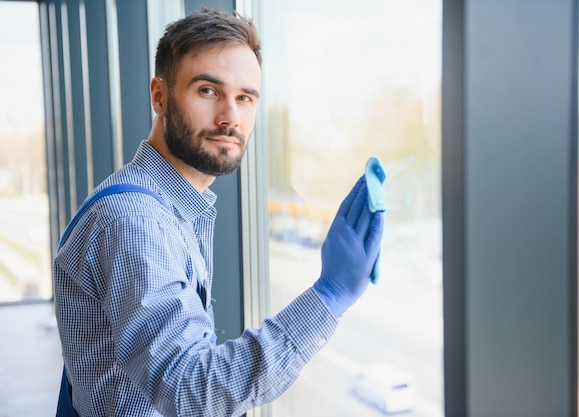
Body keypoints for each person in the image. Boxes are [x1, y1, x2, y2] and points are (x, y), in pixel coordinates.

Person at [53, 7, 384, 417]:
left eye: (245, 98)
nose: (231, 117)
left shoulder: (172, 208)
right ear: (159, 95)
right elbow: (190, 390)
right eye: (208, 90)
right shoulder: (134, 222)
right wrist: (328, 296)